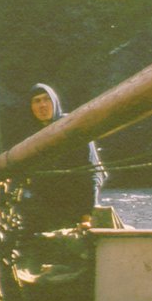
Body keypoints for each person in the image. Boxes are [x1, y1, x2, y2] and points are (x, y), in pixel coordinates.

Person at [18, 83, 106, 232]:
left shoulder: (73, 127)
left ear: (55, 102)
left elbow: (92, 174)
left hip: (74, 209)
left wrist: (86, 217)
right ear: (31, 107)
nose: (42, 105)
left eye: (47, 99)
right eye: (37, 101)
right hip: (43, 210)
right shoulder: (29, 137)